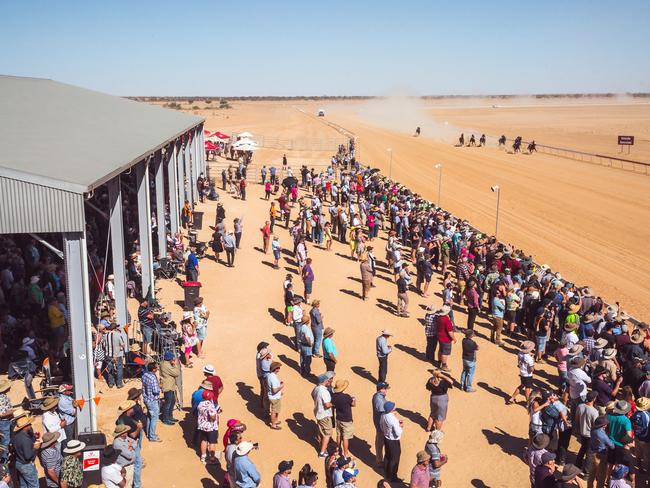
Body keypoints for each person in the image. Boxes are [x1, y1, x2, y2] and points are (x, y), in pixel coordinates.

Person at [13, 415, 42, 488]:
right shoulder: (25, 439)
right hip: (26, 466)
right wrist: (35, 448)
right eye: (29, 424)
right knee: (34, 486)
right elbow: (28, 456)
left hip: (19, 463)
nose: (31, 425)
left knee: (23, 485)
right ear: (25, 427)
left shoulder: (16, 436)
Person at [574, 390, 598, 470]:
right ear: (594, 399)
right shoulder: (594, 412)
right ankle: (587, 471)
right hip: (590, 434)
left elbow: (576, 419)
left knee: (583, 448)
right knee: (589, 453)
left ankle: (577, 464)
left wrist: (577, 430)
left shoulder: (580, 406)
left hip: (582, 432)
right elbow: (595, 425)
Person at [312, 373, 334, 458]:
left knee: (320, 430)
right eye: (328, 380)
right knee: (327, 434)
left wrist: (317, 403)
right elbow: (327, 405)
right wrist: (334, 403)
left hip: (318, 412)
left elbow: (312, 394)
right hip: (324, 415)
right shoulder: (323, 391)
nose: (329, 381)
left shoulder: (316, 388)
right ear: (325, 381)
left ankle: (320, 444)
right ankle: (322, 452)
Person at [332, 380, 356, 458]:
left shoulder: (334, 396)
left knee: (339, 435)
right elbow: (353, 404)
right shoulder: (346, 397)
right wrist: (354, 399)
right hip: (347, 420)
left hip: (338, 418)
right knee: (346, 438)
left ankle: (337, 450)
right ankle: (345, 454)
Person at [380, 401, 402, 482]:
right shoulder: (393, 419)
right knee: (394, 458)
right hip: (393, 441)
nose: (394, 407)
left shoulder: (383, 415)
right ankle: (392, 476)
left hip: (386, 438)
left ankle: (386, 473)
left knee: (387, 455)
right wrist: (401, 426)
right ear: (390, 409)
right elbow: (398, 432)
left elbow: (381, 426)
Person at [197, 390, 220, 465]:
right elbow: (213, 417)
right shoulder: (210, 405)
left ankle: (203, 457)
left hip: (202, 426)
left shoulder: (200, 404)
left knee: (204, 440)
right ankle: (212, 458)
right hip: (211, 427)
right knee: (212, 442)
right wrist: (216, 414)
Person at [141, 363, 162, 442]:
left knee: (150, 416)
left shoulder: (144, 375)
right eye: (156, 367)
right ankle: (152, 436)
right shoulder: (153, 378)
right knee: (154, 418)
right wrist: (160, 387)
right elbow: (155, 391)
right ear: (153, 369)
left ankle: (149, 433)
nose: (157, 368)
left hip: (146, 399)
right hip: (152, 400)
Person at [160, 350, 181, 425]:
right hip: (168, 386)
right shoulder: (167, 365)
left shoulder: (164, 363)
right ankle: (166, 419)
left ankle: (170, 416)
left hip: (171, 386)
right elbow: (177, 373)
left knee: (172, 401)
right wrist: (174, 365)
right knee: (168, 403)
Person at [372, 382, 389, 466]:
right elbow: (382, 411)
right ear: (381, 389)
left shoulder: (379, 396)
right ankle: (379, 461)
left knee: (380, 440)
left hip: (380, 422)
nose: (386, 390)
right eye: (385, 389)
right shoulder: (378, 399)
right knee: (380, 441)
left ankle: (380, 459)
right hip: (380, 424)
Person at [436, 306, 455, 372]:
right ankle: (444, 365)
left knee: (440, 350)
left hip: (439, 336)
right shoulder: (447, 320)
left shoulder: (438, 317)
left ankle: (439, 362)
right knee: (445, 353)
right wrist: (454, 338)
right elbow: (450, 332)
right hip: (446, 338)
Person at [267, 361, 284, 430]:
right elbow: (274, 390)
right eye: (278, 367)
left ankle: (275, 421)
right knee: (274, 411)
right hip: (275, 397)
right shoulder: (273, 378)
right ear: (276, 369)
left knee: (276, 410)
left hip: (274, 396)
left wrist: (279, 387)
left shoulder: (270, 375)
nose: (279, 369)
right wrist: (281, 386)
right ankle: (273, 425)